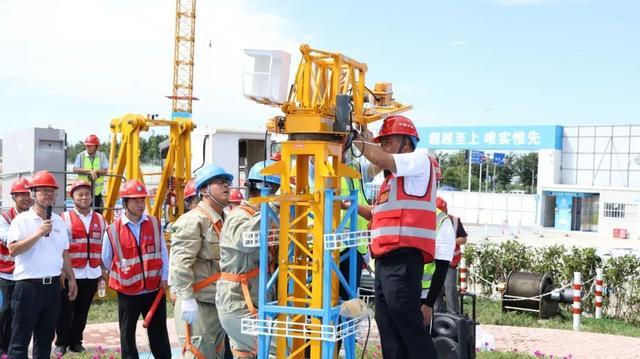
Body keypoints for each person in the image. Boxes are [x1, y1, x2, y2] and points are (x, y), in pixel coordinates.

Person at [350, 116, 455, 359]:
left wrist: (355, 139)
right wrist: (348, 204)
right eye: (381, 141)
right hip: (385, 264)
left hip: (404, 260)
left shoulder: (419, 161)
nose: (384, 145)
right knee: (387, 323)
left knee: (407, 324)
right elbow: (377, 215)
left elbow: (380, 158)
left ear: (407, 143)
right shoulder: (391, 184)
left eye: (388, 140)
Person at [7, 171, 78, 359]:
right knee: (19, 342)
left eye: (52, 191)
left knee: (45, 340)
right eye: (43, 190)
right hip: (28, 288)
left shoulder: (59, 222)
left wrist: (71, 278)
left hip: (53, 288)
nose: (48, 194)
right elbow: (13, 250)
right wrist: (38, 233)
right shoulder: (21, 220)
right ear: (32, 193)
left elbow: (64, 252)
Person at [217, 160, 280, 358]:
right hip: (239, 304)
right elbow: (243, 239)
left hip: (254, 303)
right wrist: (274, 206)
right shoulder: (240, 217)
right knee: (285, 349)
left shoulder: (264, 216)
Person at [102, 179, 171, 359]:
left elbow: (163, 253)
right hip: (128, 292)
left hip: (154, 289)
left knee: (159, 334)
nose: (141, 204)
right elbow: (106, 259)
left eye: (143, 200)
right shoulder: (112, 230)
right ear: (125, 202)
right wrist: (127, 274)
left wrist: (164, 278)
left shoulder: (154, 224)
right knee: (127, 335)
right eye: (136, 200)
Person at [170, 164, 232, 358]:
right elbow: (181, 263)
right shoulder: (193, 220)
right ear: (204, 190)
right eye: (220, 182)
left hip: (218, 304)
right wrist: (186, 298)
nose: (226, 186)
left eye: (227, 182)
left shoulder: (225, 220)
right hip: (197, 306)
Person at [54, 180, 107, 355]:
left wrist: (103, 272)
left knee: (82, 310)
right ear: (73, 197)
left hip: (92, 272)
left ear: (92, 197)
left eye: (87, 194)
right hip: (71, 273)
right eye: (80, 194)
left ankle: (76, 341)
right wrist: (62, 271)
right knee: (65, 310)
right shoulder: (64, 218)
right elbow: (58, 247)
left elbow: (104, 246)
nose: (84, 198)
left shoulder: (100, 219)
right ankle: (62, 342)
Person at [0, 178, 32, 355]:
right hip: (8, 274)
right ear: (13, 196)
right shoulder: (4, 218)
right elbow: (8, 240)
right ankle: (3, 347)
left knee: (23, 313)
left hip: (27, 274)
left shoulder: (34, 217)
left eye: (28, 194)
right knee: (6, 311)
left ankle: (17, 347)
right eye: (22, 194)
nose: (26, 197)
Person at [421, 206, 456, 323]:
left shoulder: (442, 220)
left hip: (423, 292)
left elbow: (441, 268)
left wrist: (428, 304)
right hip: (394, 290)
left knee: (449, 290)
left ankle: (450, 314)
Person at [434, 197, 468, 314]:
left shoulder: (455, 221)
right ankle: (438, 314)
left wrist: (450, 241)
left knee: (450, 289)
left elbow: (463, 239)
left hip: (450, 262)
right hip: (434, 262)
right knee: (435, 289)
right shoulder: (430, 221)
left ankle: (453, 315)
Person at [73, 134, 109, 212]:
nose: (88, 147)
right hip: (83, 190)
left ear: (96, 146)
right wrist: (89, 171)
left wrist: (95, 171)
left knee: (97, 213)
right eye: (86, 145)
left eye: (90, 145)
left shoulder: (102, 156)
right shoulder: (81, 156)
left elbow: (105, 171)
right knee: (82, 212)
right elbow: (75, 169)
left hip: (97, 192)